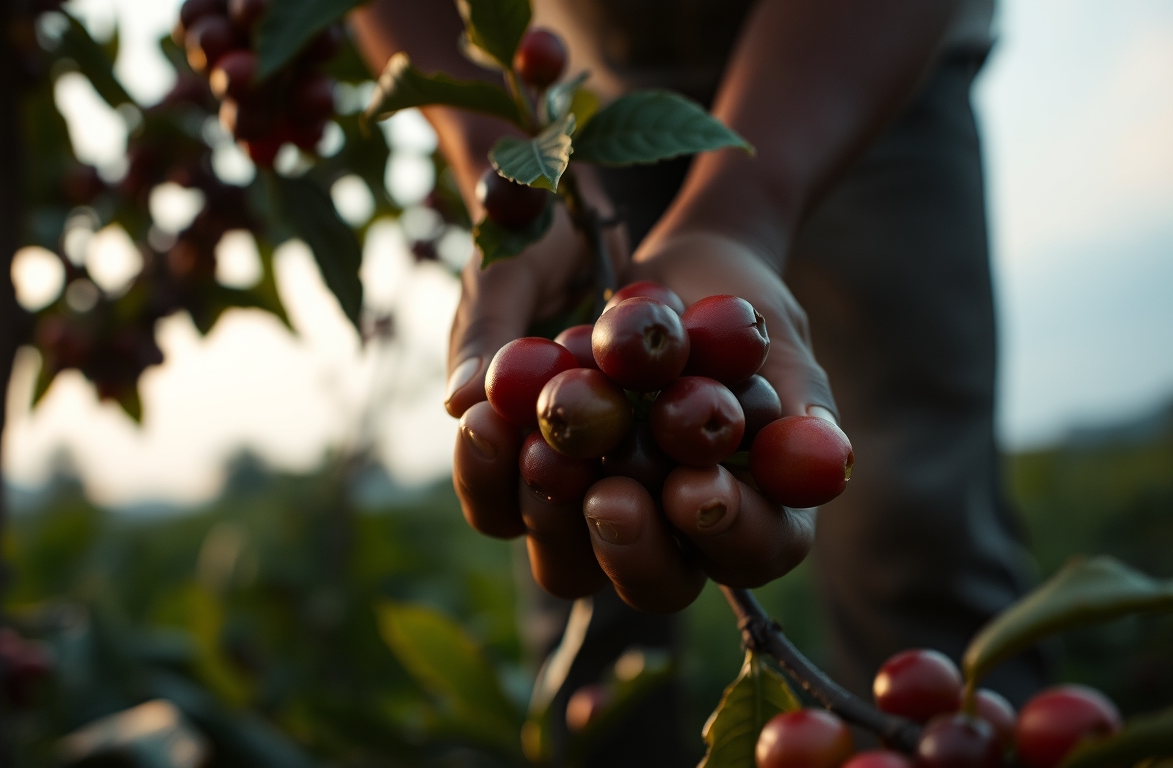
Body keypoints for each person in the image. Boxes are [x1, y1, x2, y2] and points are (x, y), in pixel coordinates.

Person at [353, 0, 1049, 763]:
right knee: (588, 593)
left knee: (917, 528)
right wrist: (507, 157)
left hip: (867, 56)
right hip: (595, 106)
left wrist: (742, 211)